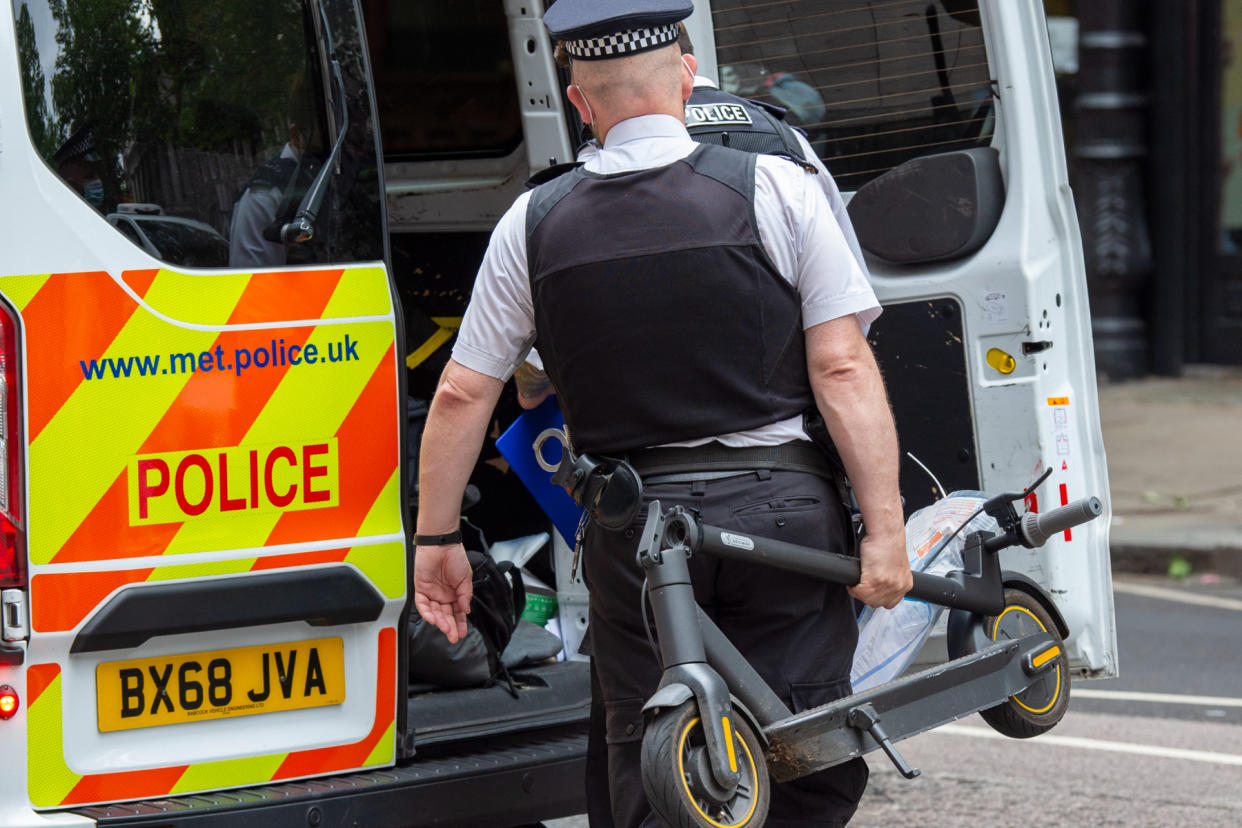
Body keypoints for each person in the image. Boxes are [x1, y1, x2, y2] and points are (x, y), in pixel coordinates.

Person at [413, 2, 911, 825]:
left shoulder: (529, 224)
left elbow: (469, 391)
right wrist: (885, 526)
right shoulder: (778, 188)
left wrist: (437, 541)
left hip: (633, 527)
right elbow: (842, 364)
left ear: (580, 104)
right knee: (804, 754)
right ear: (687, 76)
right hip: (782, 519)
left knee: (656, 766)